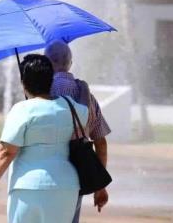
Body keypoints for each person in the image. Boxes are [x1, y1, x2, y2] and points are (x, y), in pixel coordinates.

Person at [0, 54, 89, 223]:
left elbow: (6, 152)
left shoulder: (22, 110)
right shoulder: (71, 106)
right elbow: (86, 121)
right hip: (66, 185)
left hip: (28, 187)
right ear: (50, 79)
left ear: (24, 83)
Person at [44, 40, 111, 223]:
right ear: (70, 63)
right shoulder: (87, 95)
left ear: (46, 64)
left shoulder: (41, 93)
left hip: (45, 172)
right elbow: (101, 143)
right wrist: (99, 185)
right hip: (76, 170)